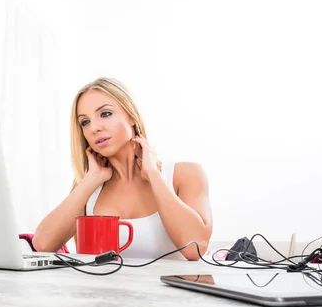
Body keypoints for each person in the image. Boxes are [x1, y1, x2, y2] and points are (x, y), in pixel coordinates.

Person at [32, 77, 213, 260]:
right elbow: (43, 244)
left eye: (105, 114)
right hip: (103, 289)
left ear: (132, 117)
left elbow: (195, 249)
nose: (94, 128)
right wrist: (90, 180)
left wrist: (153, 175)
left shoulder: (185, 174)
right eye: (85, 122)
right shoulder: (89, 188)